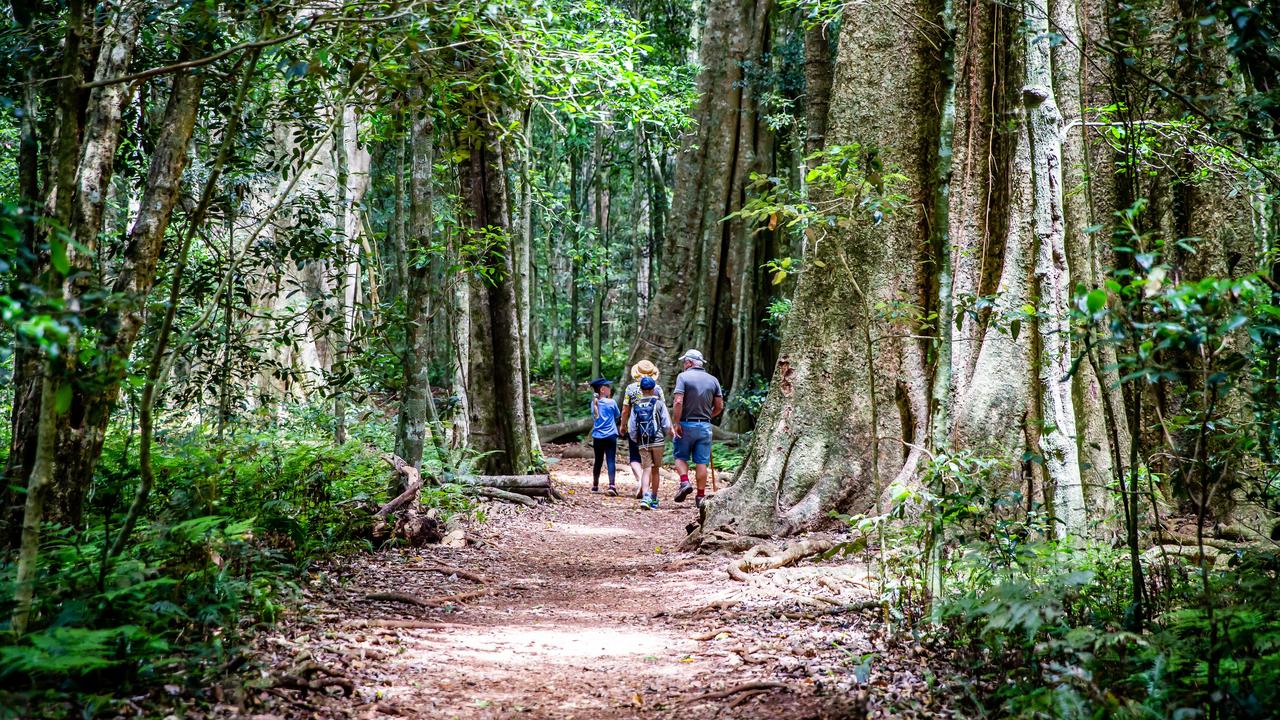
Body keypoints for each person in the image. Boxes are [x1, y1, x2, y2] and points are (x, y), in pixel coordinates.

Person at [671, 349, 723, 508]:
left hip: (685, 424)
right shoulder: (713, 380)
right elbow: (719, 406)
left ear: (689, 362)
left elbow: (678, 401)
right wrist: (707, 416)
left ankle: (685, 482)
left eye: (684, 362)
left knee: (680, 457)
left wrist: (676, 422)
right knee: (702, 462)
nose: (683, 365)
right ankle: (700, 497)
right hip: (705, 425)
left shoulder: (683, 377)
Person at [619, 360, 665, 499]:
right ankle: (646, 487)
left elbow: (626, 410)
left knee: (634, 457)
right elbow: (662, 408)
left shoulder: (631, 388)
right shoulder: (657, 389)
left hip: (637, 428)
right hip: (654, 431)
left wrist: (623, 425)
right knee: (651, 463)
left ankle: (641, 480)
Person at [627, 375, 671, 510]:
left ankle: (645, 496)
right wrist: (662, 435)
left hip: (643, 442)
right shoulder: (659, 404)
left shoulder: (636, 406)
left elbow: (632, 427)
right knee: (656, 470)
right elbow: (667, 424)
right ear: (653, 389)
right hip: (657, 441)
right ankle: (654, 498)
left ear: (641, 389)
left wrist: (636, 439)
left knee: (646, 469)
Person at [589, 378, 620, 495]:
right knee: (611, 460)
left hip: (597, 437)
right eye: (608, 387)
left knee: (598, 461)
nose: (610, 389)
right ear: (602, 390)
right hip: (611, 435)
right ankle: (612, 486)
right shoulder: (611, 402)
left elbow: (594, 416)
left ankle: (595, 486)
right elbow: (617, 415)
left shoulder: (593, 403)